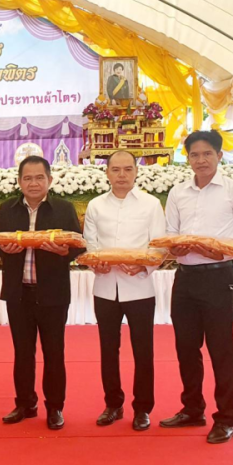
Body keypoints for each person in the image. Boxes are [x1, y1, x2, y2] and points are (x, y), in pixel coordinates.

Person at [161, 131, 233, 444]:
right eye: (194, 155)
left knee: (220, 350)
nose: (200, 160)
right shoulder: (178, 192)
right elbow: (170, 233)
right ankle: (192, 409)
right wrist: (172, 248)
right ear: (187, 158)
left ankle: (226, 417)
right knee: (186, 349)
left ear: (219, 156)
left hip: (219, 277)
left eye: (207, 154)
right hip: (185, 278)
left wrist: (221, 251)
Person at [0, 156, 82, 431]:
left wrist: (66, 251)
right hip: (19, 292)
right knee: (22, 352)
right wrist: (2, 250)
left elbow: (78, 245)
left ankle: (54, 408)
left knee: (54, 353)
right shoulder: (8, 209)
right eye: (27, 178)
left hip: (53, 293)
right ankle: (25, 404)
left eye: (39, 177)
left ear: (49, 180)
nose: (33, 183)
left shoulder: (64, 209)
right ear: (19, 182)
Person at [83, 151, 166, 432]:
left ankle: (142, 409)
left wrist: (144, 266)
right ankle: (113, 404)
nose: (121, 175)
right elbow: (90, 244)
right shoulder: (95, 206)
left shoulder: (151, 205)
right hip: (105, 288)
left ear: (136, 172)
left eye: (127, 169)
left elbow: (159, 244)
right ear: (106, 173)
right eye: (116, 170)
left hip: (140, 287)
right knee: (109, 350)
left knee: (143, 352)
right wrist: (97, 263)